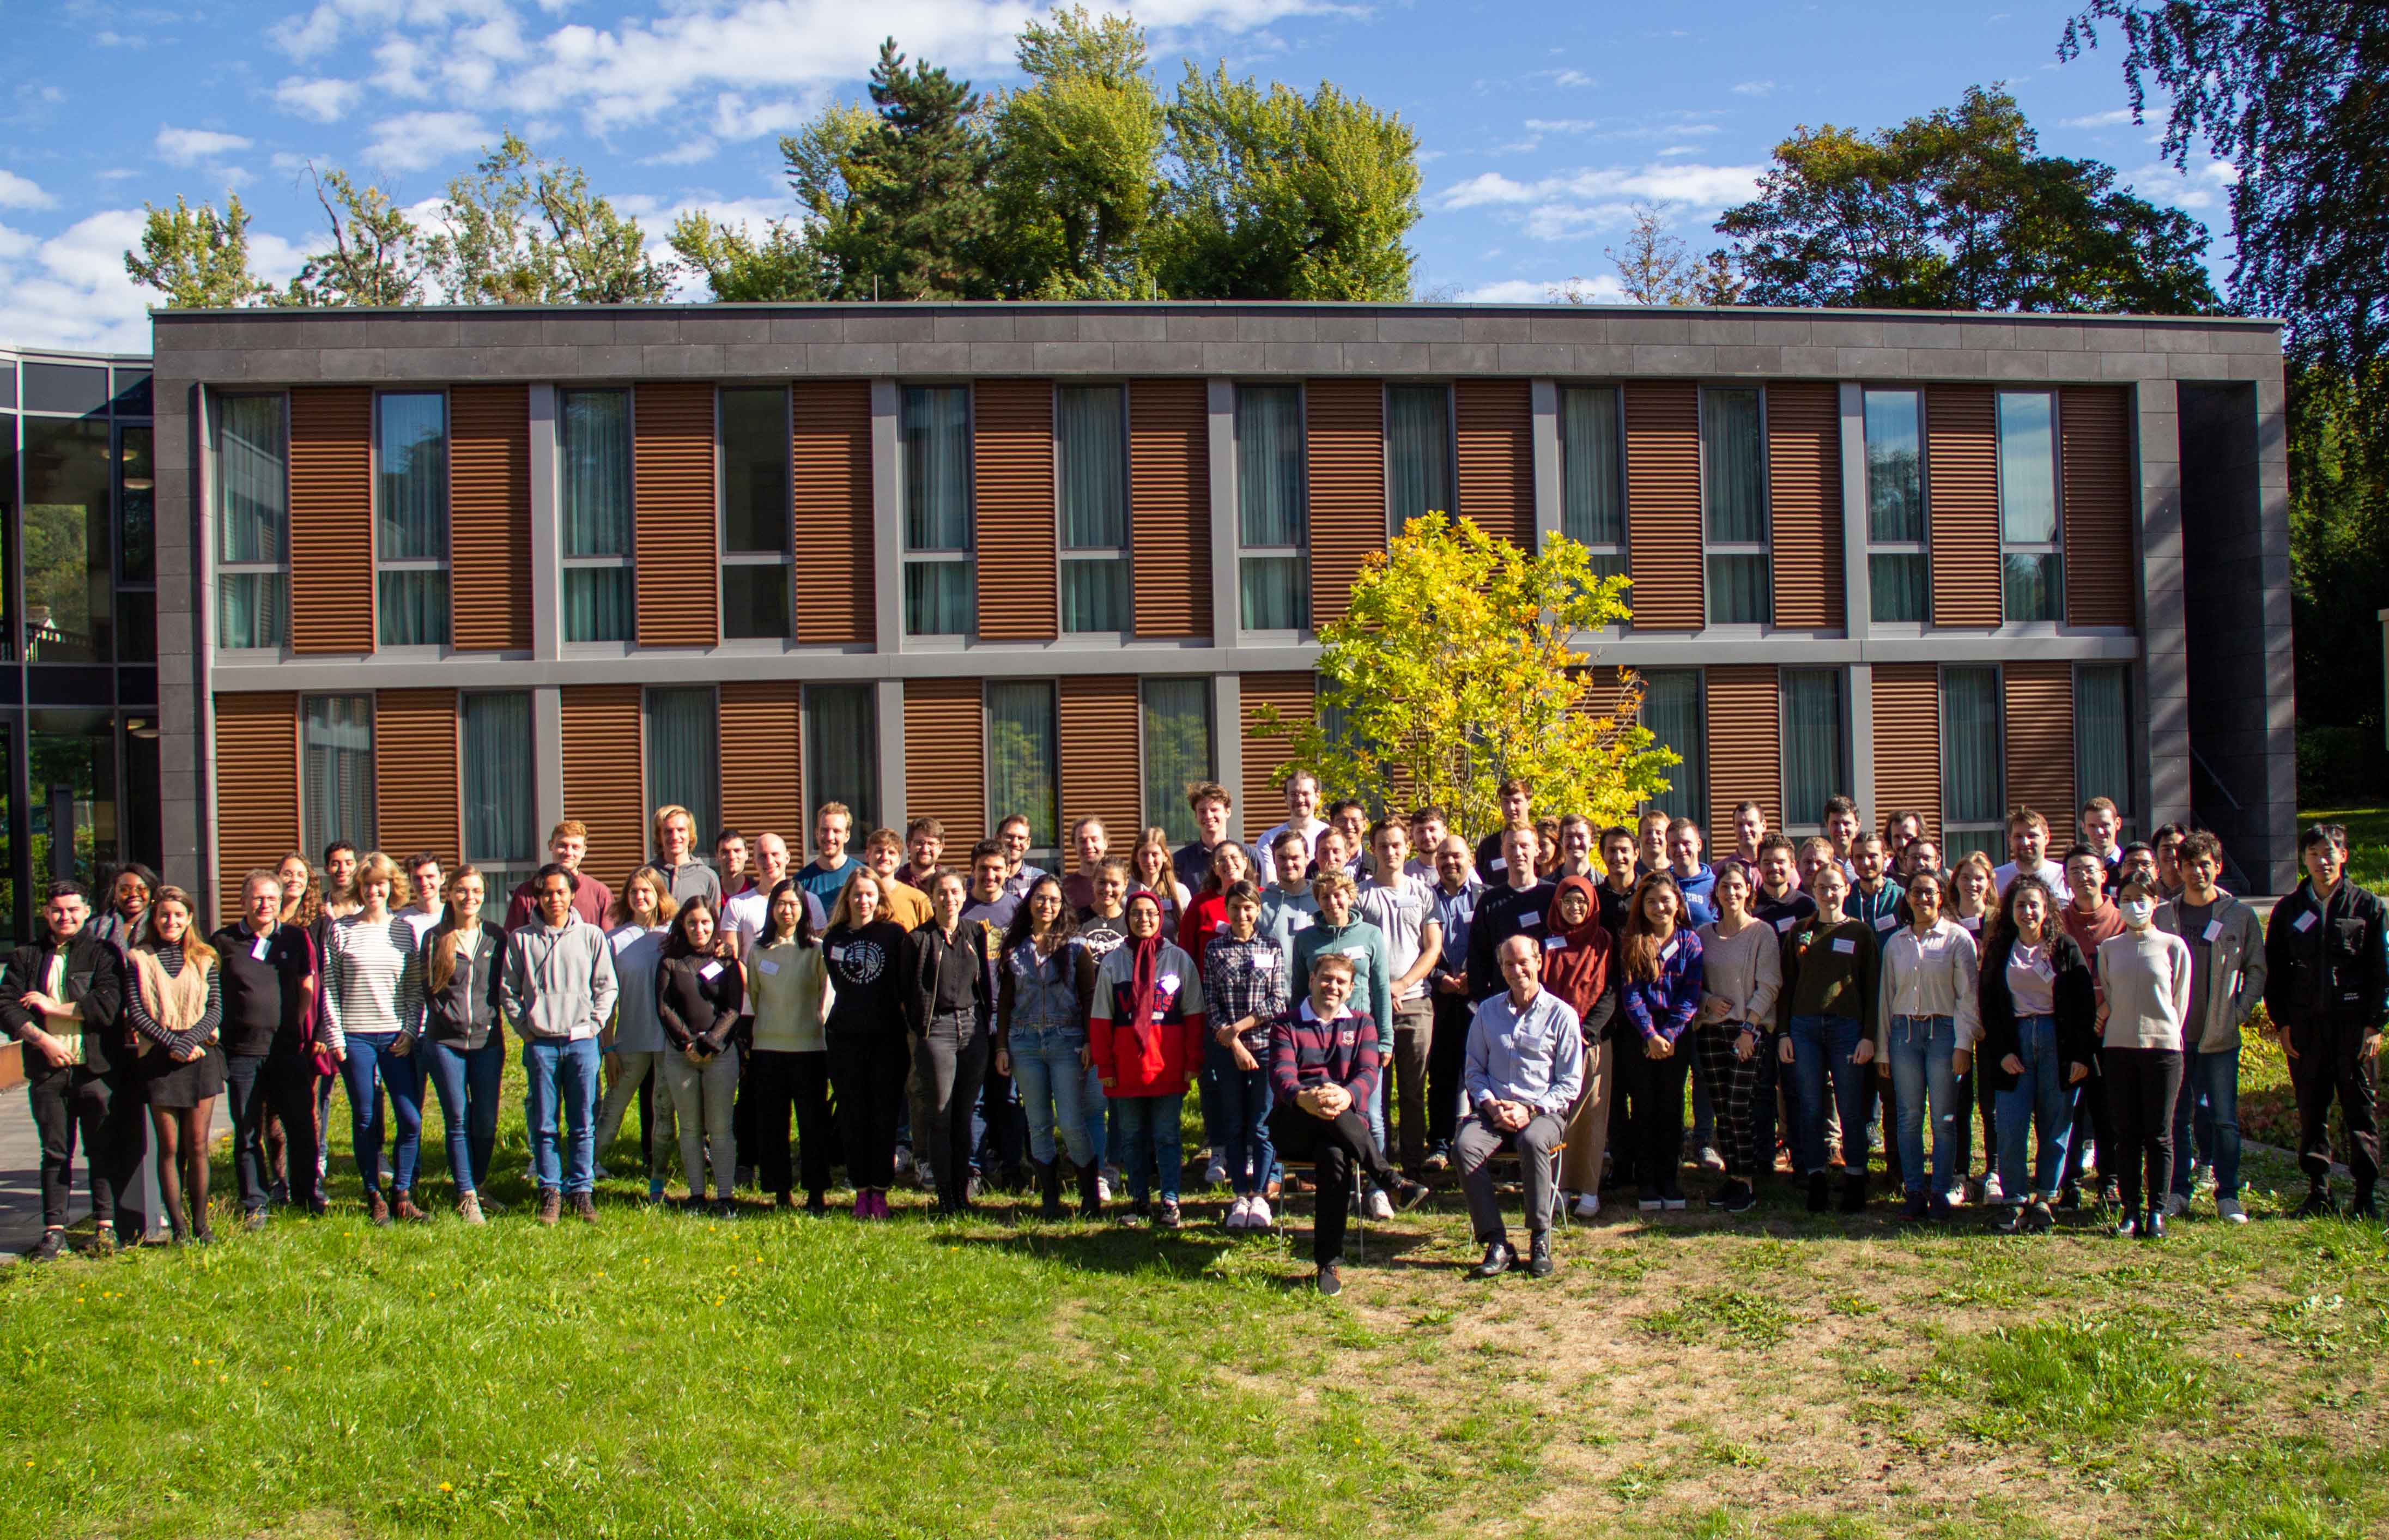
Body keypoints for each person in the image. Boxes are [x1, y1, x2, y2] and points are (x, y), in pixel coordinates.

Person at [1267, 953, 1426, 1296]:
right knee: (1333, 1119)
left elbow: (1368, 1073)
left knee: (1335, 1155)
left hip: (1342, 1128)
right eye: (1326, 978)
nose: (1333, 986)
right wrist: (1305, 1098)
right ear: (1312, 980)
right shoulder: (1286, 1023)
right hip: (1294, 1123)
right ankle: (1389, 1179)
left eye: (1341, 981)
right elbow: (1281, 1075)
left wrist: (1347, 1095)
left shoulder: (1363, 1023)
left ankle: (1328, 1264)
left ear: (1351, 989)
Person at [3, 883, 135, 1258]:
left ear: (87, 911)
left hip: (95, 1069)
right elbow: (6, 1006)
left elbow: (106, 1008)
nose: (66, 917)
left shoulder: (104, 953)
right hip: (48, 1071)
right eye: (58, 910)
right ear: (46, 913)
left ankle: (105, 1227)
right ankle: (54, 1232)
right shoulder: (27, 956)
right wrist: (42, 1040)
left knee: (101, 1149)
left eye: (73, 910)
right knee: (55, 1152)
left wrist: (50, 1007)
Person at [2264, 824, 2388, 1218]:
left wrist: (2376, 1024)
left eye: (2329, 852)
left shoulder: (2368, 906)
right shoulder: (2289, 909)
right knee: (2312, 1110)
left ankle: (2365, 1196)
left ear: (2344, 856)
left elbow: (2382, 970)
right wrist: (2282, 1022)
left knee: (2360, 1112)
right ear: (2304, 859)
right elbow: (2275, 972)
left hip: (2354, 1028)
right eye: (2314, 853)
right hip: (2306, 1029)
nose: (2322, 861)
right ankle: (2319, 1192)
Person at [1457, 933, 1585, 1277]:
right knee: (1465, 1146)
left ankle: (1540, 1238)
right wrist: (1490, 1105)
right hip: (1494, 1110)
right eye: (1509, 964)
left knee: (1531, 1141)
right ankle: (1497, 1242)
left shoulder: (1562, 1015)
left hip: (1544, 1112)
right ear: (1501, 968)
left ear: (1538, 962)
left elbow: (1570, 1083)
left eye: (1523, 962)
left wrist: (1531, 1110)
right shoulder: (1487, 1012)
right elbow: (1474, 1070)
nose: (1517, 971)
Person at [501, 862, 621, 1226]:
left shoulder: (591, 936)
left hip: (582, 1043)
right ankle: (550, 1191)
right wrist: (526, 1030)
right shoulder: (521, 940)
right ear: (538, 897)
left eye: (561, 892)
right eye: (547, 893)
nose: (555, 898)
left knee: (583, 1121)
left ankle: (581, 1190)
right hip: (541, 1044)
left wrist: (595, 1024)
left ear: (572, 895)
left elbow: (607, 986)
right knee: (545, 1123)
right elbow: (508, 990)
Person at [1977, 876, 2097, 1234]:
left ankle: (2045, 1198)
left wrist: (2080, 1055)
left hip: (2056, 1042)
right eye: (2020, 905)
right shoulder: (2001, 949)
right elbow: (1989, 1004)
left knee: (2056, 1124)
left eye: (2034, 905)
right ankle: (2014, 1199)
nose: (2027, 911)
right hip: (2014, 1042)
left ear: (2047, 910)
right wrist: (2001, 1052)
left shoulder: (2064, 947)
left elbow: (2084, 1005)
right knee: (2010, 1125)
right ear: (2010, 911)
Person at [2157, 830, 2266, 1222]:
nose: (2197, 872)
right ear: (2180, 869)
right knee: (2176, 1117)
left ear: (2218, 867)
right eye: (2190, 865)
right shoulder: (2164, 916)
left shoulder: (2239, 915)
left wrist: (2239, 1011)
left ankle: (2229, 1195)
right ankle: (2178, 1192)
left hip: (2219, 1035)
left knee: (2223, 1118)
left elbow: (2257, 969)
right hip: (2174, 1036)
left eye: (2205, 864)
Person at [1089, 890, 1206, 1227]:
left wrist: (1192, 1061)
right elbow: (1101, 1018)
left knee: (1167, 1135)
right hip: (1126, 1067)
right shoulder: (1114, 962)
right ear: (1128, 918)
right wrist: (1105, 1065)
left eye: (1151, 914)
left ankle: (1170, 1200)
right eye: (1137, 913)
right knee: (1131, 1137)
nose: (1144, 920)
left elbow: (1194, 1014)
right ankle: (1139, 1200)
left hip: (1167, 1065)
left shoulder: (1179, 959)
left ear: (1161, 918)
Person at [321, 853, 427, 1226]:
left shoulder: (404, 931)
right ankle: (373, 1195)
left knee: (410, 1119)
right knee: (366, 1117)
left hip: (396, 1037)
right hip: (356, 1038)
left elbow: (414, 989)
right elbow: (329, 987)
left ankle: (402, 1193)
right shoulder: (341, 930)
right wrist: (335, 1036)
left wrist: (410, 1031)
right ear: (359, 888)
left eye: (380, 884)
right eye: (367, 885)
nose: (373, 891)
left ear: (391, 887)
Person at [211, 869, 318, 1230]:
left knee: (301, 1126)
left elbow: (307, 983)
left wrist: (296, 1022)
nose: (265, 904)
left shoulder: (295, 937)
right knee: (247, 1133)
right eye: (257, 898)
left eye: (272, 898)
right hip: (242, 1052)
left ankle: (306, 1195)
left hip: (286, 1049)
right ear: (243, 901)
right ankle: (255, 1202)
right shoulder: (224, 941)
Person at [123, 886, 225, 1245]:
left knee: (197, 1145)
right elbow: (137, 1013)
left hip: (201, 1057)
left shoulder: (205, 957)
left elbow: (215, 1009)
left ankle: (201, 1225)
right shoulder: (138, 958)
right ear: (154, 918)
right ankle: (179, 1228)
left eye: (179, 915)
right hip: (159, 1060)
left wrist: (190, 1041)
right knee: (168, 1147)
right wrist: (174, 1044)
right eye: (165, 915)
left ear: (189, 918)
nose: (171, 921)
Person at [1876, 872, 1980, 1221]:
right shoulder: (1896, 943)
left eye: (1929, 892)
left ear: (1941, 896)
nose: (1923, 898)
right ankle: (1914, 1191)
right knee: (1908, 1117)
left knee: (1944, 1118)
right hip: (1904, 1033)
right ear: (1907, 897)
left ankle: (1940, 1192)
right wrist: (1883, 1049)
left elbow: (1968, 997)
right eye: (1916, 892)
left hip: (1944, 1032)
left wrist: (1964, 1044)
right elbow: (1886, 999)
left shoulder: (1958, 939)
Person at [1777, 863, 1878, 1214]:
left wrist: (1869, 1036)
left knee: (1850, 1106)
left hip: (1846, 1028)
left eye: (1835, 887)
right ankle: (1816, 1177)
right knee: (1810, 1106)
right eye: (1822, 887)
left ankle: (1855, 1177)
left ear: (1846, 889)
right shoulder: (1800, 931)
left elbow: (1872, 988)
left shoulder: (1860, 933)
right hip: (1804, 1027)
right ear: (1813, 890)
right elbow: (1787, 985)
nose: (1829, 893)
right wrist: (1784, 1032)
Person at [2096, 879, 2193, 1240]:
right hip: (2119, 1047)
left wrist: (2166, 1033)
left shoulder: (2173, 946)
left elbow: (2179, 999)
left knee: (2159, 1133)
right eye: (2126, 899)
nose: (2134, 905)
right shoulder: (2110, 948)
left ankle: (2157, 1211)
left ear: (2154, 903)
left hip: (2163, 1049)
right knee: (2126, 1133)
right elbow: (2111, 993)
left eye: (2141, 898)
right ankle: (2131, 1209)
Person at [1293, 869, 1396, 1211]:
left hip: (1362, 1039)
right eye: (1325, 897)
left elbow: (1381, 989)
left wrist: (1385, 1039)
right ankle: (1340, 1184)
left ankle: (1377, 1190)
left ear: (1351, 897)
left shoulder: (1371, 935)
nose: (1333, 902)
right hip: (1319, 1040)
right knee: (1329, 1109)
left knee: (1372, 1116)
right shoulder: (1306, 939)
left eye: (1339, 895)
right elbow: (1298, 992)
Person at [995, 874, 1096, 1221]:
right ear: (1029, 904)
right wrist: (1002, 1047)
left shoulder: (1076, 947)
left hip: (1066, 1041)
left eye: (1054, 900)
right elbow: (1005, 1001)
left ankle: (1090, 1197)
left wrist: (1089, 1040)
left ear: (1062, 905)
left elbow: (1088, 997)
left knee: (1071, 1123)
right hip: (1024, 1042)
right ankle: (1050, 1199)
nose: (1047, 905)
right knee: (1038, 1124)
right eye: (1040, 898)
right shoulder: (1015, 948)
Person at [904, 871, 998, 1215]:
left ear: (964, 894)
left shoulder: (976, 933)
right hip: (938, 1030)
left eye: (955, 892)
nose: (949, 899)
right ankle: (945, 1194)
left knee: (964, 1114)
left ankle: (962, 1191)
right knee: (941, 1114)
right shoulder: (918, 939)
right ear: (932, 898)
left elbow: (984, 982)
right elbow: (909, 992)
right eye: (942, 893)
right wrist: (923, 1029)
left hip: (972, 1028)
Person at [420, 867, 507, 1223]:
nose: (469, 897)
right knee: (457, 1118)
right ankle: (466, 1193)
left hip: (488, 1041)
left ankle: (479, 1183)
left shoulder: (496, 936)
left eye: (476, 891)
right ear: (450, 894)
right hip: (445, 1042)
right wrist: (449, 1018)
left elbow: (505, 986)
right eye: (462, 890)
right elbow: (428, 989)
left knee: (485, 1121)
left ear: (484, 895)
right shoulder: (434, 938)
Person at [1356, 820, 1444, 1176]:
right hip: (1371, 1008)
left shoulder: (1424, 893)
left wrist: (1403, 984)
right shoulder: (1359, 895)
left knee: (1413, 1091)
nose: (1390, 852)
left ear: (1407, 847)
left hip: (1415, 1003)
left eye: (1396, 845)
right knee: (1373, 1093)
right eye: (1383, 846)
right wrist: (1381, 990)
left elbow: (1433, 948)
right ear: (1372, 849)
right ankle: (1379, 1169)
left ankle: (1412, 1168)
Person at [1693, 863, 1781, 1213]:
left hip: (1748, 1032)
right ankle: (1732, 1176)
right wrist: (1707, 1002)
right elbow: (1692, 983)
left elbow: (1770, 985)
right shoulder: (1703, 935)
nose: (1731, 893)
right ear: (1715, 893)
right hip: (1711, 1031)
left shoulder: (1762, 933)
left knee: (1738, 1108)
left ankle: (1746, 1181)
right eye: (1724, 887)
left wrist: (1750, 1028)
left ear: (1748, 891)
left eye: (1737, 886)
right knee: (1721, 1109)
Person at [823, 871, 911, 1220]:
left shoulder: (894, 935)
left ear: (879, 898)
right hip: (845, 1040)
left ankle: (881, 1191)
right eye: (857, 894)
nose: (864, 901)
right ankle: (861, 1190)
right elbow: (838, 985)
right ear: (847, 898)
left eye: (870, 894)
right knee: (853, 1117)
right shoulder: (833, 939)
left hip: (888, 1040)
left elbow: (902, 985)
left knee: (884, 1118)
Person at [1616, 874, 1703, 1211]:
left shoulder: (1690, 942)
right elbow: (1631, 994)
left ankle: (1670, 1179)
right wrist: (1650, 1034)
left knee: (1671, 1108)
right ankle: (1647, 1182)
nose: (1659, 907)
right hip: (1640, 1037)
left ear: (1677, 903)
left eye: (1665, 900)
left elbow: (1690, 995)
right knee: (1644, 1107)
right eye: (1651, 902)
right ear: (1642, 906)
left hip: (1675, 1038)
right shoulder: (1633, 941)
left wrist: (1668, 1034)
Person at [1203, 880, 1287, 1231]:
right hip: (1229, 1051)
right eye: (1235, 907)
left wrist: (1240, 1027)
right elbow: (1211, 1002)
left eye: (1248, 907)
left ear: (1258, 910)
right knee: (1235, 1123)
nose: (1242, 914)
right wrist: (1234, 1043)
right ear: (1227, 909)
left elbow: (1278, 1000)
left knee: (1262, 1123)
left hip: (1266, 1046)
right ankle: (1240, 1194)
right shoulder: (1215, 949)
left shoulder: (1271, 946)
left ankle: (1261, 1195)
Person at [592, 868, 678, 1202]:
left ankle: (658, 1178)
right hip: (630, 1040)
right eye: (634, 892)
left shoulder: (673, 936)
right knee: (612, 1109)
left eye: (647, 891)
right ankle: (586, 1171)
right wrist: (608, 1048)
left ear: (659, 895)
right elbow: (605, 1000)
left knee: (664, 1111)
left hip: (669, 1041)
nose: (640, 897)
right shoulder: (613, 940)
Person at [656, 896, 745, 1215]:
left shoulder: (726, 960)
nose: (699, 928)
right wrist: (688, 1044)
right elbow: (664, 1007)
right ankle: (696, 1195)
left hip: (720, 1054)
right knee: (691, 1128)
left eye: (706, 922)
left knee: (720, 1128)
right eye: (692, 922)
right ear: (683, 924)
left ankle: (725, 1197)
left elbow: (734, 1008)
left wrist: (709, 1044)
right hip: (681, 1055)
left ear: (715, 924)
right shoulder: (670, 961)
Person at [1178, 840, 1256, 1184]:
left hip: (1254, 1014)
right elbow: (1185, 953)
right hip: (1212, 1009)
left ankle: (1251, 1148)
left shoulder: (1260, 897)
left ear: (1246, 861)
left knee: (1253, 1083)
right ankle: (1219, 1148)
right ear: (1213, 867)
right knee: (1213, 1082)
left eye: (1234, 858)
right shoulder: (1201, 904)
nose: (1228, 864)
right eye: (1221, 859)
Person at [1541, 875, 1617, 1220]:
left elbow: (1610, 992)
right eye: (1568, 901)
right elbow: (1539, 990)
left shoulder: (1605, 942)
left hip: (1591, 1040)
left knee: (1590, 1114)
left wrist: (1587, 1031)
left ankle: (1588, 1188)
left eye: (1582, 902)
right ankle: (1559, 1185)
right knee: (1555, 1114)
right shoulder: (1546, 941)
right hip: (1551, 1042)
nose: (1575, 908)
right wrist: (1556, 1032)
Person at [2057, 844, 2127, 1209]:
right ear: (2065, 880)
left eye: (2089, 870)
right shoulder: (2057, 923)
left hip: (2113, 1028)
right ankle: (2067, 1182)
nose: (2083, 877)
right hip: (2069, 1031)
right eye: (2074, 871)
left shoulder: (2122, 920)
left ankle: (2110, 1181)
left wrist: (2106, 1009)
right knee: (2068, 1110)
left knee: (2108, 1110)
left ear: (2103, 874)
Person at [1423, 834, 1482, 1172]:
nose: (1450, 862)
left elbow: (1493, 945)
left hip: (1478, 999)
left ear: (1470, 859)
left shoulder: (1485, 896)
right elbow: (1418, 947)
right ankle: (1440, 1145)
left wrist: (1475, 978)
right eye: (1444, 857)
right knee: (1442, 1075)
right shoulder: (1425, 898)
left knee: (1482, 1074)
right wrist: (1438, 978)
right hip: (1440, 999)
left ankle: (1483, 1143)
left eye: (1457, 856)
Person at [1470, 826, 1555, 1004]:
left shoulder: (1553, 896)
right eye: (1511, 846)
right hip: (1503, 1003)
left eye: (1524, 846)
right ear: (1503, 852)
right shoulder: (1489, 901)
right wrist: (1485, 1003)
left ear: (1537, 849)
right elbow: (1478, 958)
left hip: (1549, 1001)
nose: (1518, 853)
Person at [504, 821, 615, 931]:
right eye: (562, 845)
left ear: (584, 851)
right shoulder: (526, 892)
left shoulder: (600, 893)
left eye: (575, 847)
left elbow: (609, 938)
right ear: (551, 845)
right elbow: (513, 937)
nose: (568, 853)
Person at [858, 828, 933, 931]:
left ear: (899, 860)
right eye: (879, 851)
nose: (885, 857)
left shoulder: (918, 900)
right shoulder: (856, 898)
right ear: (868, 856)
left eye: (891, 853)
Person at [651, 804, 723, 910]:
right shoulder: (647, 876)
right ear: (659, 836)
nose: (675, 837)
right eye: (668, 831)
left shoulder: (708, 877)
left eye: (681, 830)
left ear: (690, 834)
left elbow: (713, 918)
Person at [797, 803, 864, 913]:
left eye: (837, 831)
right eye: (825, 830)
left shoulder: (863, 876)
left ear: (847, 836)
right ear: (817, 833)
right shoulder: (801, 882)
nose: (830, 837)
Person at [1993, 807, 2071, 901]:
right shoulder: (1996, 878)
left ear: (2046, 838)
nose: (2025, 842)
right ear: (2010, 840)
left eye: (2032, 836)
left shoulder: (2063, 875)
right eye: (2018, 837)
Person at [1173, 783, 1236, 895]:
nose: (1208, 816)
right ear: (1196, 816)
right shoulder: (1180, 861)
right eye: (1202, 811)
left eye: (1214, 810)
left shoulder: (1249, 855)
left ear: (1228, 812)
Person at [1258, 772, 1328, 867]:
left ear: (1317, 797)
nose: (1300, 800)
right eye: (1293, 795)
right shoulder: (1269, 840)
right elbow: (1270, 876)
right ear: (1286, 799)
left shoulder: (1330, 836)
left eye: (1306, 794)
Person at [1128, 828, 1190, 935]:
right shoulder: (1126, 892)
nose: (1149, 860)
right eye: (1144, 854)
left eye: (1155, 854)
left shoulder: (1180, 892)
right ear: (1136, 857)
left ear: (1165, 856)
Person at [91, 864, 158, 954]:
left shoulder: (159, 925)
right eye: (125, 890)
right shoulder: (95, 927)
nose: (134, 894)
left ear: (151, 893)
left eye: (142, 889)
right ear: (114, 894)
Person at [1665, 819, 1717, 927]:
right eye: (1674, 845)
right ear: (1668, 849)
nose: (1681, 849)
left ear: (1699, 845)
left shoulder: (1715, 886)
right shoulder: (1662, 884)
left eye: (1686, 843)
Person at [1594, 826, 1640, 934]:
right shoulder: (1594, 897)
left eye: (1624, 850)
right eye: (1612, 851)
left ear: (1636, 854)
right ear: (1602, 854)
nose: (1618, 857)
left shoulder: (1648, 894)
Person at [1063, 818, 1111, 914]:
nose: (1089, 846)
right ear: (1075, 846)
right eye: (1082, 841)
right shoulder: (1064, 888)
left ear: (1106, 844)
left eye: (1094, 840)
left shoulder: (1119, 885)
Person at [2079, 798, 2125, 895]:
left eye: (2105, 825)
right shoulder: (2077, 870)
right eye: (2092, 826)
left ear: (2117, 824)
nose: (2099, 832)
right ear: (2083, 827)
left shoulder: (2128, 866)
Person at [398, 852, 445, 945]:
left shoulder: (455, 917)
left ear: (442, 878)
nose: (424, 883)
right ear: (410, 881)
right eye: (418, 878)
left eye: (430, 877)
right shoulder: (401, 922)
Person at [995, 813, 1046, 897]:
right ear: (998, 838)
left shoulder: (1040, 879)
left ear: (1028, 843)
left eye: (1021, 838)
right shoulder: (985, 879)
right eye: (1009, 836)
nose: (1015, 843)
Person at [898, 817, 946, 892]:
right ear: (909, 845)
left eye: (931, 844)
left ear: (941, 847)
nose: (925, 850)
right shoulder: (895, 884)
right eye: (919, 843)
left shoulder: (949, 884)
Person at [320, 843, 363, 920]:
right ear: (326, 869)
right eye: (336, 864)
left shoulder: (369, 905)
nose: (343, 869)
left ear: (358, 867)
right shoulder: (316, 907)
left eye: (349, 864)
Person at [2150, 822, 2190, 901]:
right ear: (2155, 854)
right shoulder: (2148, 892)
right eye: (2166, 849)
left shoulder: (2196, 890)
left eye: (2179, 848)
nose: (2173, 854)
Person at [1821, 798, 1862, 875]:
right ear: (1827, 825)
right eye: (1835, 823)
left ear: (1857, 824)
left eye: (1846, 823)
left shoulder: (1866, 862)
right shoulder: (1821, 863)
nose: (1841, 829)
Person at [1634, 809, 1671, 878]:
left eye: (1659, 833)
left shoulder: (1677, 872)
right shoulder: (1632, 873)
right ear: (1639, 837)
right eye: (1648, 833)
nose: (1653, 837)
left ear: (1668, 837)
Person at [715, 828, 750, 895]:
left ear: (747, 854)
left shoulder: (759, 893)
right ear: (717, 856)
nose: (732, 857)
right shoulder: (709, 892)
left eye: (737, 851)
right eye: (725, 852)